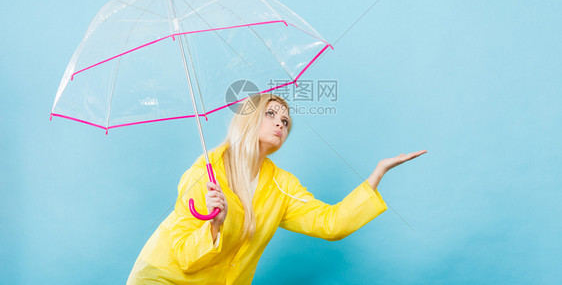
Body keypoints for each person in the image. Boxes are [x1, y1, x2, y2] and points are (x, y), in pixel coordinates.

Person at [127, 93, 427, 285]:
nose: (280, 123)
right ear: (248, 119)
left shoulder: (282, 186)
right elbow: (182, 255)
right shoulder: (203, 175)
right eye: (270, 114)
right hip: (164, 278)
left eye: (285, 120)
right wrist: (214, 227)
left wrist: (378, 173)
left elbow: (330, 223)